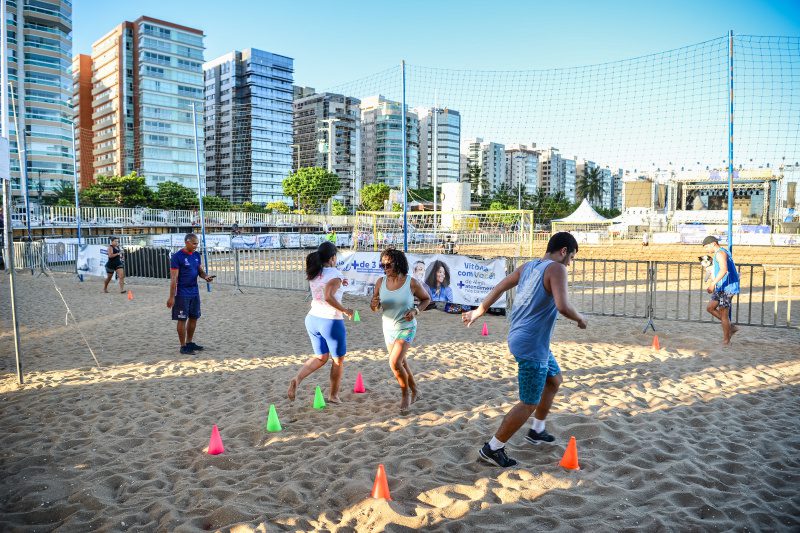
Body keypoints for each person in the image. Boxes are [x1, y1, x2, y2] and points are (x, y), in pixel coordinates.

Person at [463, 232, 587, 468]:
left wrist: (478, 312)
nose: (570, 262)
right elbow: (562, 306)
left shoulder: (529, 266)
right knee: (528, 402)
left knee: (554, 380)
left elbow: (499, 287)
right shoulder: (557, 269)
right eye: (571, 257)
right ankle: (493, 448)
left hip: (524, 338)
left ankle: (537, 430)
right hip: (532, 344)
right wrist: (580, 319)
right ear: (563, 251)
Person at [288, 241, 353, 404]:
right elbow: (329, 296)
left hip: (312, 319)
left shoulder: (315, 271)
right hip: (330, 321)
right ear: (332, 257)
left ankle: (298, 378)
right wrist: (345, 310)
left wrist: (341, 281)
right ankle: (333, 395)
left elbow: (328, 284)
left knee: (321, 357)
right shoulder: (335, 274)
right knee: (337, 360)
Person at [370, 248, 431, 411]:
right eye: (382, 265)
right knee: (402, 362)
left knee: (394, 362)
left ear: (398, 263)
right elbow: (374, 306)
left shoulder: (411, 282)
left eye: (388, 264)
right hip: (388, 328)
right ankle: (416, 390)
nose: (385, 268)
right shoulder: (380, 282)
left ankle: (405, 394)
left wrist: (415, 311)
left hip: (406, 327)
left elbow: (426, 299)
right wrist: (374, 305)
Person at [167, 233, 215, 355]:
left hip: (194, 291)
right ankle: (183, 346)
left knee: (194, 317)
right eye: (194, 243)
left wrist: (206, 276)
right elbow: (173, 279)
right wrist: (172, 297)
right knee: (182, 319)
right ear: (187, 242)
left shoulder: (196, 255)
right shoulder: (177, 257)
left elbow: (199, 271)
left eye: (197, 244)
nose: (196, 246)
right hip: (182, 293)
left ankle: (189, 342)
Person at [702, 235, 740, 345]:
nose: (706, 250)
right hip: (721, 287)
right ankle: (730, 327)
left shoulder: (720, 253)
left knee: (724, 314)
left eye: (706, 247)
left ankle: (726, 341)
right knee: (710, 308)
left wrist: (712, 284)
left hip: (727, 287)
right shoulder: (720, 253)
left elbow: (724, 270)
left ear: (713, 243)